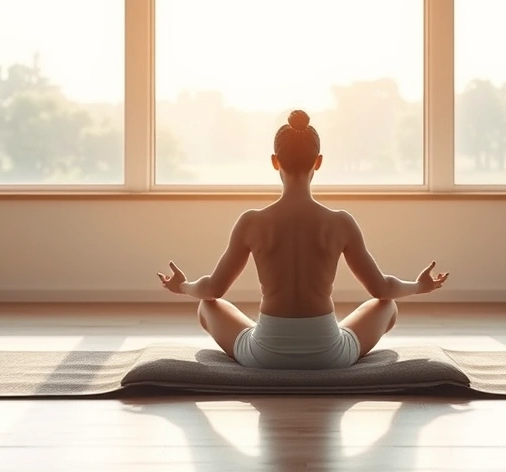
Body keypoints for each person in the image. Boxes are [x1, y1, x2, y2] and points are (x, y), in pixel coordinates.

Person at [156, 109, 449, 370]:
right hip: (329, 354)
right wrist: (419, 286)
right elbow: (382, 289)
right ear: (318, 162)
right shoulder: (340, 222)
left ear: (275, 162)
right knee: (388, 306)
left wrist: (181, 286)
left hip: (264, 355)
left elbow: (213, 289)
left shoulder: (252, 222)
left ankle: (278, 338)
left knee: (206, 306)